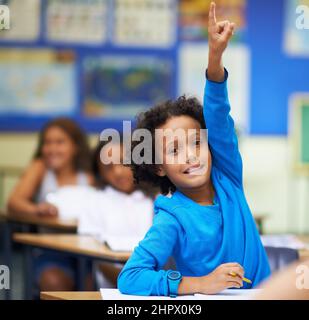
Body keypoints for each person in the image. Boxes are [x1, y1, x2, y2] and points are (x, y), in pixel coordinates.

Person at [117, 2, 270, 297]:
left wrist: (215, 56)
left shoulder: (228, 177)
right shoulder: (170, 216)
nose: (190, 154)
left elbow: (217, 112)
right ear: (158, 166)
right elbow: (131, 277)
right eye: (174, 149)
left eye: (197, 142)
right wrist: (199, 284)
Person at [8, 117, 94, 291]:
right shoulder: (40, 167)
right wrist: (38, 209)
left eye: (60, 142)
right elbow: (14, 202)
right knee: (54, 282)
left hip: (87, 250)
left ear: (75, 146)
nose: (52, 149)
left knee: (95, 284)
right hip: (50, 250)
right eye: (47, 143)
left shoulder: (88, 175)